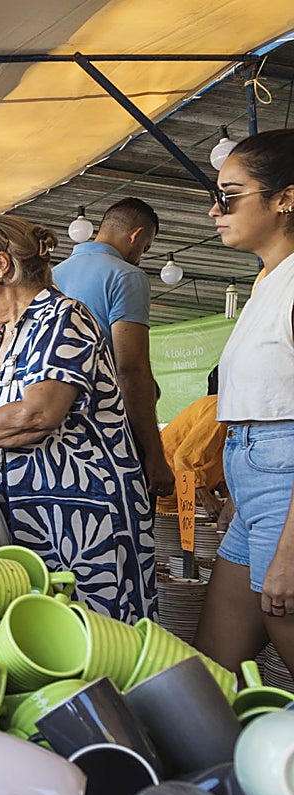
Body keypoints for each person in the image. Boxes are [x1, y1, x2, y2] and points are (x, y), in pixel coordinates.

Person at [0, 213, 155, 623]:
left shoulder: (63, 319)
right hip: (25, 521)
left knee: (99, 638)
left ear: (1, 265)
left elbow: (36, 414)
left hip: (84, 519)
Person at [194, 129, 294, 675]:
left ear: (286, 198)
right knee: (213, 668)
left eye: (230, 195)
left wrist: (289, 546)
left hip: (284, 484)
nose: (214, 210)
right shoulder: (268, 281)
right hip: (255, 480)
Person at [53, 198, 174, 497]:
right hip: (107, 434)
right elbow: (130, 368)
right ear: (136, 235)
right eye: (145, 247)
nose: (141, 257)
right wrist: (154, 455)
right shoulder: (126, 276)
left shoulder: (51, 277)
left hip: (55, 431)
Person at [158, 366, 229, 525]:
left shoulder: (233, 420)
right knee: (170, 546)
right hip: (167, 492)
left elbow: (214, 464)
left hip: (186, 496)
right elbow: (184, 458)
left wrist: (226, 498)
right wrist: (206, 498)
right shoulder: (219, 410)